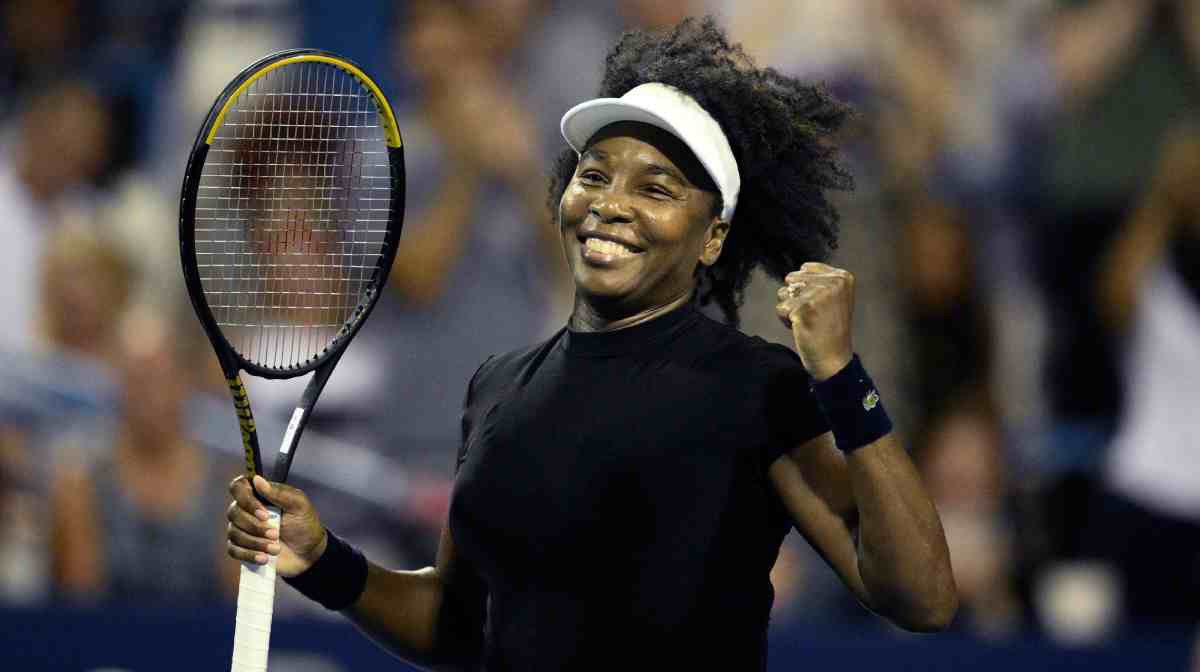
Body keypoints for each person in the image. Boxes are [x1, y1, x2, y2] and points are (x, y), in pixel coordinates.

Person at [226, 17, 956, 670]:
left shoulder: (755, 387)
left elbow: (920, 596)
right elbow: (461, 627)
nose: (610, 204)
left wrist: (842, 378)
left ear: (714, 239)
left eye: (657, 189)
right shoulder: (498, 388)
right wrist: (325, 563)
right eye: (594, 175)